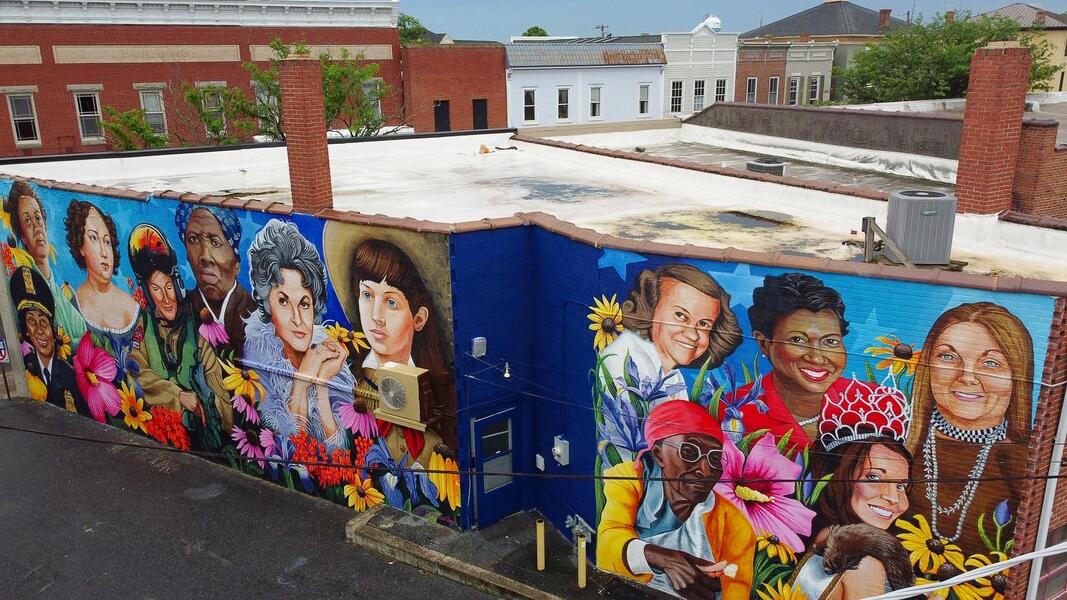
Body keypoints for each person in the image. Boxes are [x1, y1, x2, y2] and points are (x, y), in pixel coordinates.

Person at [904, 302, 1033, 554]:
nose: (967, 376)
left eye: (991, 364)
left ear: (1017, 375)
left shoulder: (1027, 465)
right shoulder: (894, 443)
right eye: (948, 357)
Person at [598, 400, 755, 599]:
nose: (705, 471)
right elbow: (608, 544)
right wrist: (665, 559)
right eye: (689, 452)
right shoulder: (630, 480)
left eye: (714, 458)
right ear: (658, 454)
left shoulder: (734, 525)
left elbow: (737, 589)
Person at [790, 379, 915, 599]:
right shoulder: (863, 563)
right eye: (874, 477)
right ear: (838, 476)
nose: (893, 498)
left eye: (901, 485)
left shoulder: (823, 540)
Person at [341, 237, 455, 465]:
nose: (375, 316)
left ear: (418, 318)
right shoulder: (347, 377)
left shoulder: (440, 387)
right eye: (367, 295)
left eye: (391, 302)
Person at [245, 219, 353, 451]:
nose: (297, 318)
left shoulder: (329, 357)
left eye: (304, 303)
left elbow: (339, 453)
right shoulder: (259, 361)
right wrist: (301, 383)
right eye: (283, 302)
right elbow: (293, 449)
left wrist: (322, 385)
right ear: (267, 304)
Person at [127, 224, 232, 450]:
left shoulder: (196, 335)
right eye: (156, 289)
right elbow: (136, 373)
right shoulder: (144, 329)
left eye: (168, 287)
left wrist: (208, 407)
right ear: (147, 293)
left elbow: (220, 397)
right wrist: (177, 396)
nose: (166, 297)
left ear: (177, 285)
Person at [726, 273, 852, 451]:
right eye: (797, 340)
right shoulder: (731, 410)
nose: (816, 357)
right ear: (764, 343)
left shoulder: (877, 403)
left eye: (830, 341)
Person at [600, 263, 742, 404]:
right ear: (651, 308)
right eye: (680, 315)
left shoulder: (672, 375)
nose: (693, 335)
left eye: (704, 324)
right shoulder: (623, 358)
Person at [4, 181, 86, 345]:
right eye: (28, 221)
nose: (37, 228)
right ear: (22, 238)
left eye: (38, 218)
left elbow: (84, 337)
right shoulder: (23, 288)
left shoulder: (62, 299)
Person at [175, 204, 254, 356]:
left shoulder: (257, 316)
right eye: (193, 239)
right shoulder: (180, 311)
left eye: (215, 242)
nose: (204, 256)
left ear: (236, 261)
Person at [9, 265, 87, 414]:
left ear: (53, 329)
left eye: (43, 322)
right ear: (26, 332)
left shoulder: (70, 376)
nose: (39, 330)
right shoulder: (26, 367)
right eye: (31, 322)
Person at [63, 199, 139, 352]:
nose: (104, 253)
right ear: (81, 247)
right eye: (93, 238)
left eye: (107, 241)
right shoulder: (73, 308)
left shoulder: (133, 307)